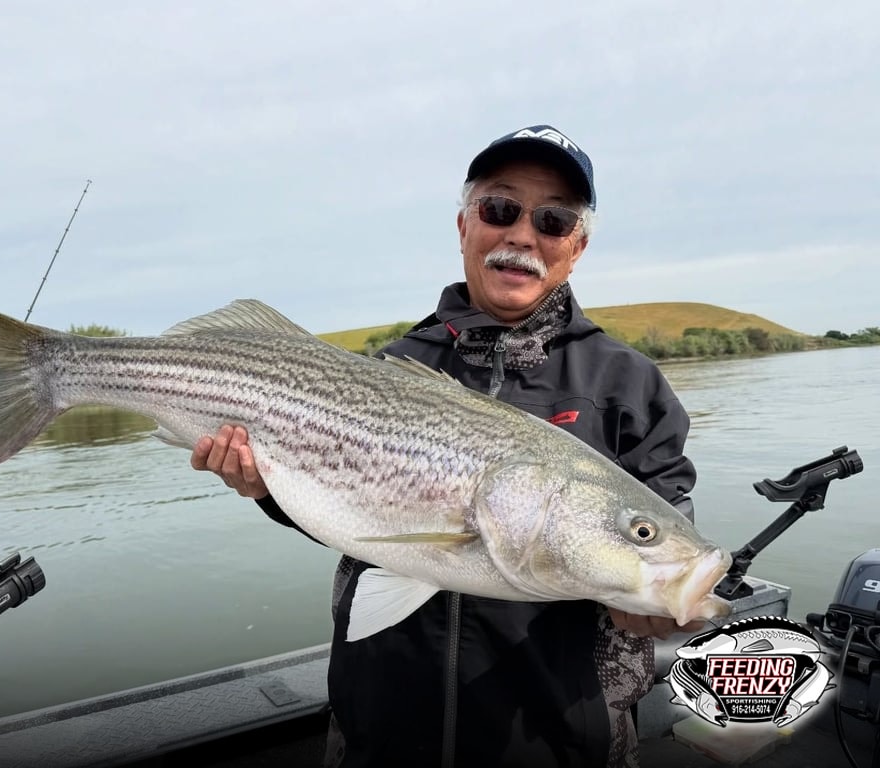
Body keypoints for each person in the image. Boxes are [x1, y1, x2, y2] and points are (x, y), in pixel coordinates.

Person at [191, 124, 703, 767]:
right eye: (500, 208)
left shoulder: (629, 384)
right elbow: (345, 514)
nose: (522, 234)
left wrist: (656, 604)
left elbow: (665, 522)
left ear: (577, 246)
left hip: (556, 739)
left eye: (551, 220)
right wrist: (265, 487)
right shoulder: (394, 364)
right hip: (380, 729)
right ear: (465, 226)